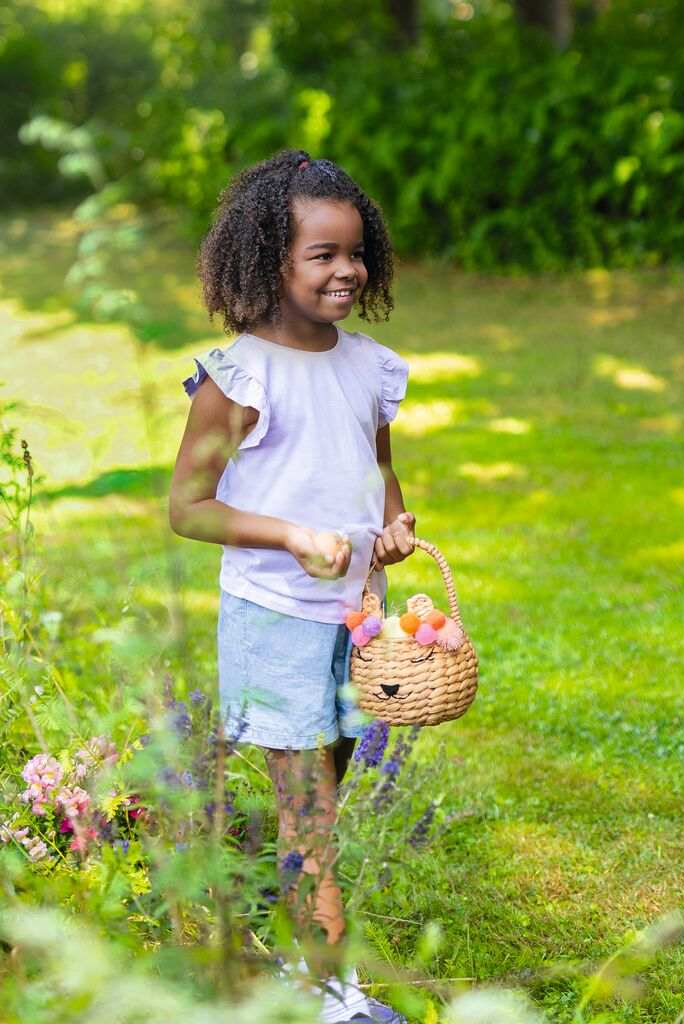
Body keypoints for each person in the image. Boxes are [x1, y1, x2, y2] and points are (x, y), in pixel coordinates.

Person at [169, 148, 415, 1023]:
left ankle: (289, 924)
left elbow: (376, 472)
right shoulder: (238, 376)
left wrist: (391, 529)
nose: (346, 270)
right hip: (274, 615)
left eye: (355, 252)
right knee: (307, 810)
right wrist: (287, 534)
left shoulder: (369, 368)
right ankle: (331, 995)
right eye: (323, 255)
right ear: (270, 260)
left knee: (321, 798)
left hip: (353, 616)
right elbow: (188, 509)